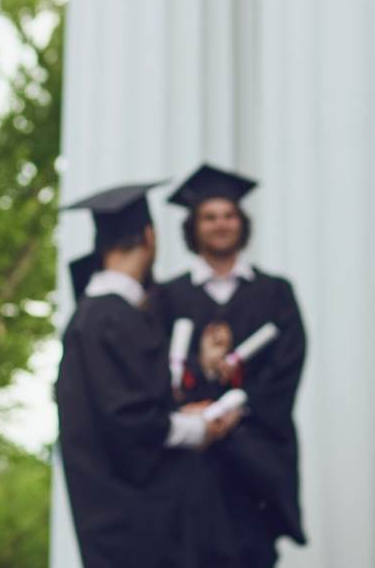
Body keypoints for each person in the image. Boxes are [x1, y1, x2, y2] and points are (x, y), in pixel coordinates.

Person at [56, 182, 242, 567]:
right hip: (137, 522)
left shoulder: (86, 318)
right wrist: (199, 428)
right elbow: (131, 421)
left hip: (103, 516)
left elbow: (116, 405)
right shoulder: (117, 318)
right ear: (149, 236)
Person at [149, 164, 308, 564]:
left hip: (257, 453)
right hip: (193, 458)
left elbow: (288, 363)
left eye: (229, 215)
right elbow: (153, 366)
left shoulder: (274, 293)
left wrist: (239, 407)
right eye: (209, 217)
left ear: (242, 222)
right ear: (194, 227)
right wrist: (191, 407)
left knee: (254, 553)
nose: (221, 224)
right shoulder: (168, 297)